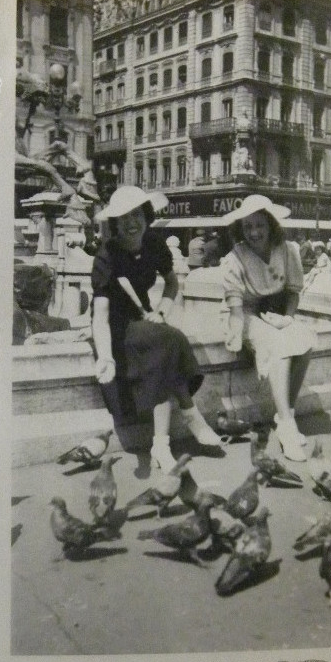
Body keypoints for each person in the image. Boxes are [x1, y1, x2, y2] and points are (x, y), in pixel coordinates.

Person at [91, 186, 222, 473]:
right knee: (170, 340)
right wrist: (105, 356)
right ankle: (189, 418)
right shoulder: (107, 256)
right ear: (114, 222)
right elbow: (100, 314)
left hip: (143, 317)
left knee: (167, 343)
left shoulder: (153, 243)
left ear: (146, 215)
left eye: (136, 214)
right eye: (123, 217)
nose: (131, 222)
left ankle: (162, 443)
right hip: (116, 326)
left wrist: (162, 311)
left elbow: (172, 283)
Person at [221, 195, 316, 462]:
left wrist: (288, 318)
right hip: (246, 313)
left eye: (260, 225)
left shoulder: (288, 250)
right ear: (241, 228)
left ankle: (287, 412)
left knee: (303, 340)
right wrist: (236, 332)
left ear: (271, 224)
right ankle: (286, 427)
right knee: (277, 344)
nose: (254, 232)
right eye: (248, 226)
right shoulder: (235, 258)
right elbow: (236, 307)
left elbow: (293, 292)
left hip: (276, 313)